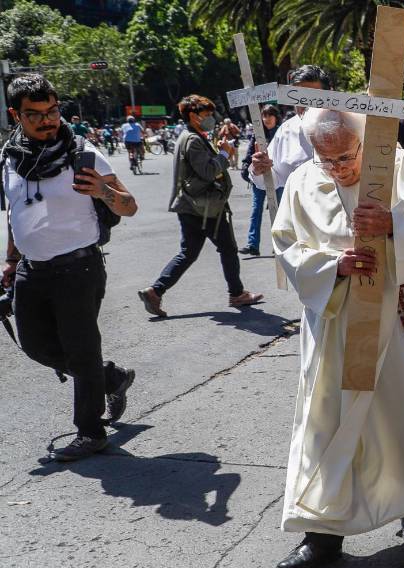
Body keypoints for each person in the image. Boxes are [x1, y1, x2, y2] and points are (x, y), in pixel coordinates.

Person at [271, 107, 404, 568]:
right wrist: (331, 266)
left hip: (395, 313)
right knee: (323, 421)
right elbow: (286, 245)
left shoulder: (401, 167)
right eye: (329, 161)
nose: (339, 169)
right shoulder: (303, 181)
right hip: (333, 320)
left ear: (364, 142)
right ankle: (320, 533)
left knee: (400, 414)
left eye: (346, 157)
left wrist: (393, 225)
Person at [1, 75, 138, 461]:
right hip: (32, 269)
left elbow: (129, 206)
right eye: (36, 115)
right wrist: (11, 260)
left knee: (81, 349)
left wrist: (103, 192)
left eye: (53, 111)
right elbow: (17, 213)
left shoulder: (84, 153)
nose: (48, 120)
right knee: (34, 345)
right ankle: (110, 377)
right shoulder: (10, 158)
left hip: (79, 268)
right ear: (16, 115)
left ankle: (91, 432)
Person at [137, 95, 262, 318]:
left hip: (192, 206)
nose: (211, 119)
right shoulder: (193, 140)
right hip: (205, 208)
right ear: (193, 116)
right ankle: (237, 293)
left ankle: (155, 291)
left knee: (189, 253)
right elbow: (207, 171)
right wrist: (224, 153)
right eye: (206, 115)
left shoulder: (190, 136)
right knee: (227, 249)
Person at [249, 65, 332, 200]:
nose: (306, 104)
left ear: (330, 95)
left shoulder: (351, 127)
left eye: (314, 98)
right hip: (297, 217)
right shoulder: (286, 130)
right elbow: (272, 180)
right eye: (299, 98)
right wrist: (260, 169)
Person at [238, 105, 282, 256]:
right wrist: (245, 170)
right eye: (264, 116)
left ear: (276, 117)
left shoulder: (283, 132)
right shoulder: (257, 134)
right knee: (256, 211)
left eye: (270, 115)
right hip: (259, 179)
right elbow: (249, 154)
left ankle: (279, 244)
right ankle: (252, 244)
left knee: (279, 212)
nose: (267, 119)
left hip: (279, 179)